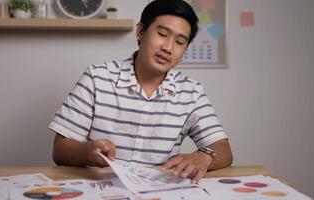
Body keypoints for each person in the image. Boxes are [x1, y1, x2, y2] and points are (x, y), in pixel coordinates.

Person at [49, 0, 232, 184]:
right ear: (141, 31)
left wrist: (204, 156)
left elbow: (223, 149)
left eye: (179, 41)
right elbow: (60, 150)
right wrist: (88, 152)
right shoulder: (97, 78)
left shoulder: (191, 92)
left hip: (159, 191)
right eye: (162, 34)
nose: (168, 48)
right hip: (100, 189)